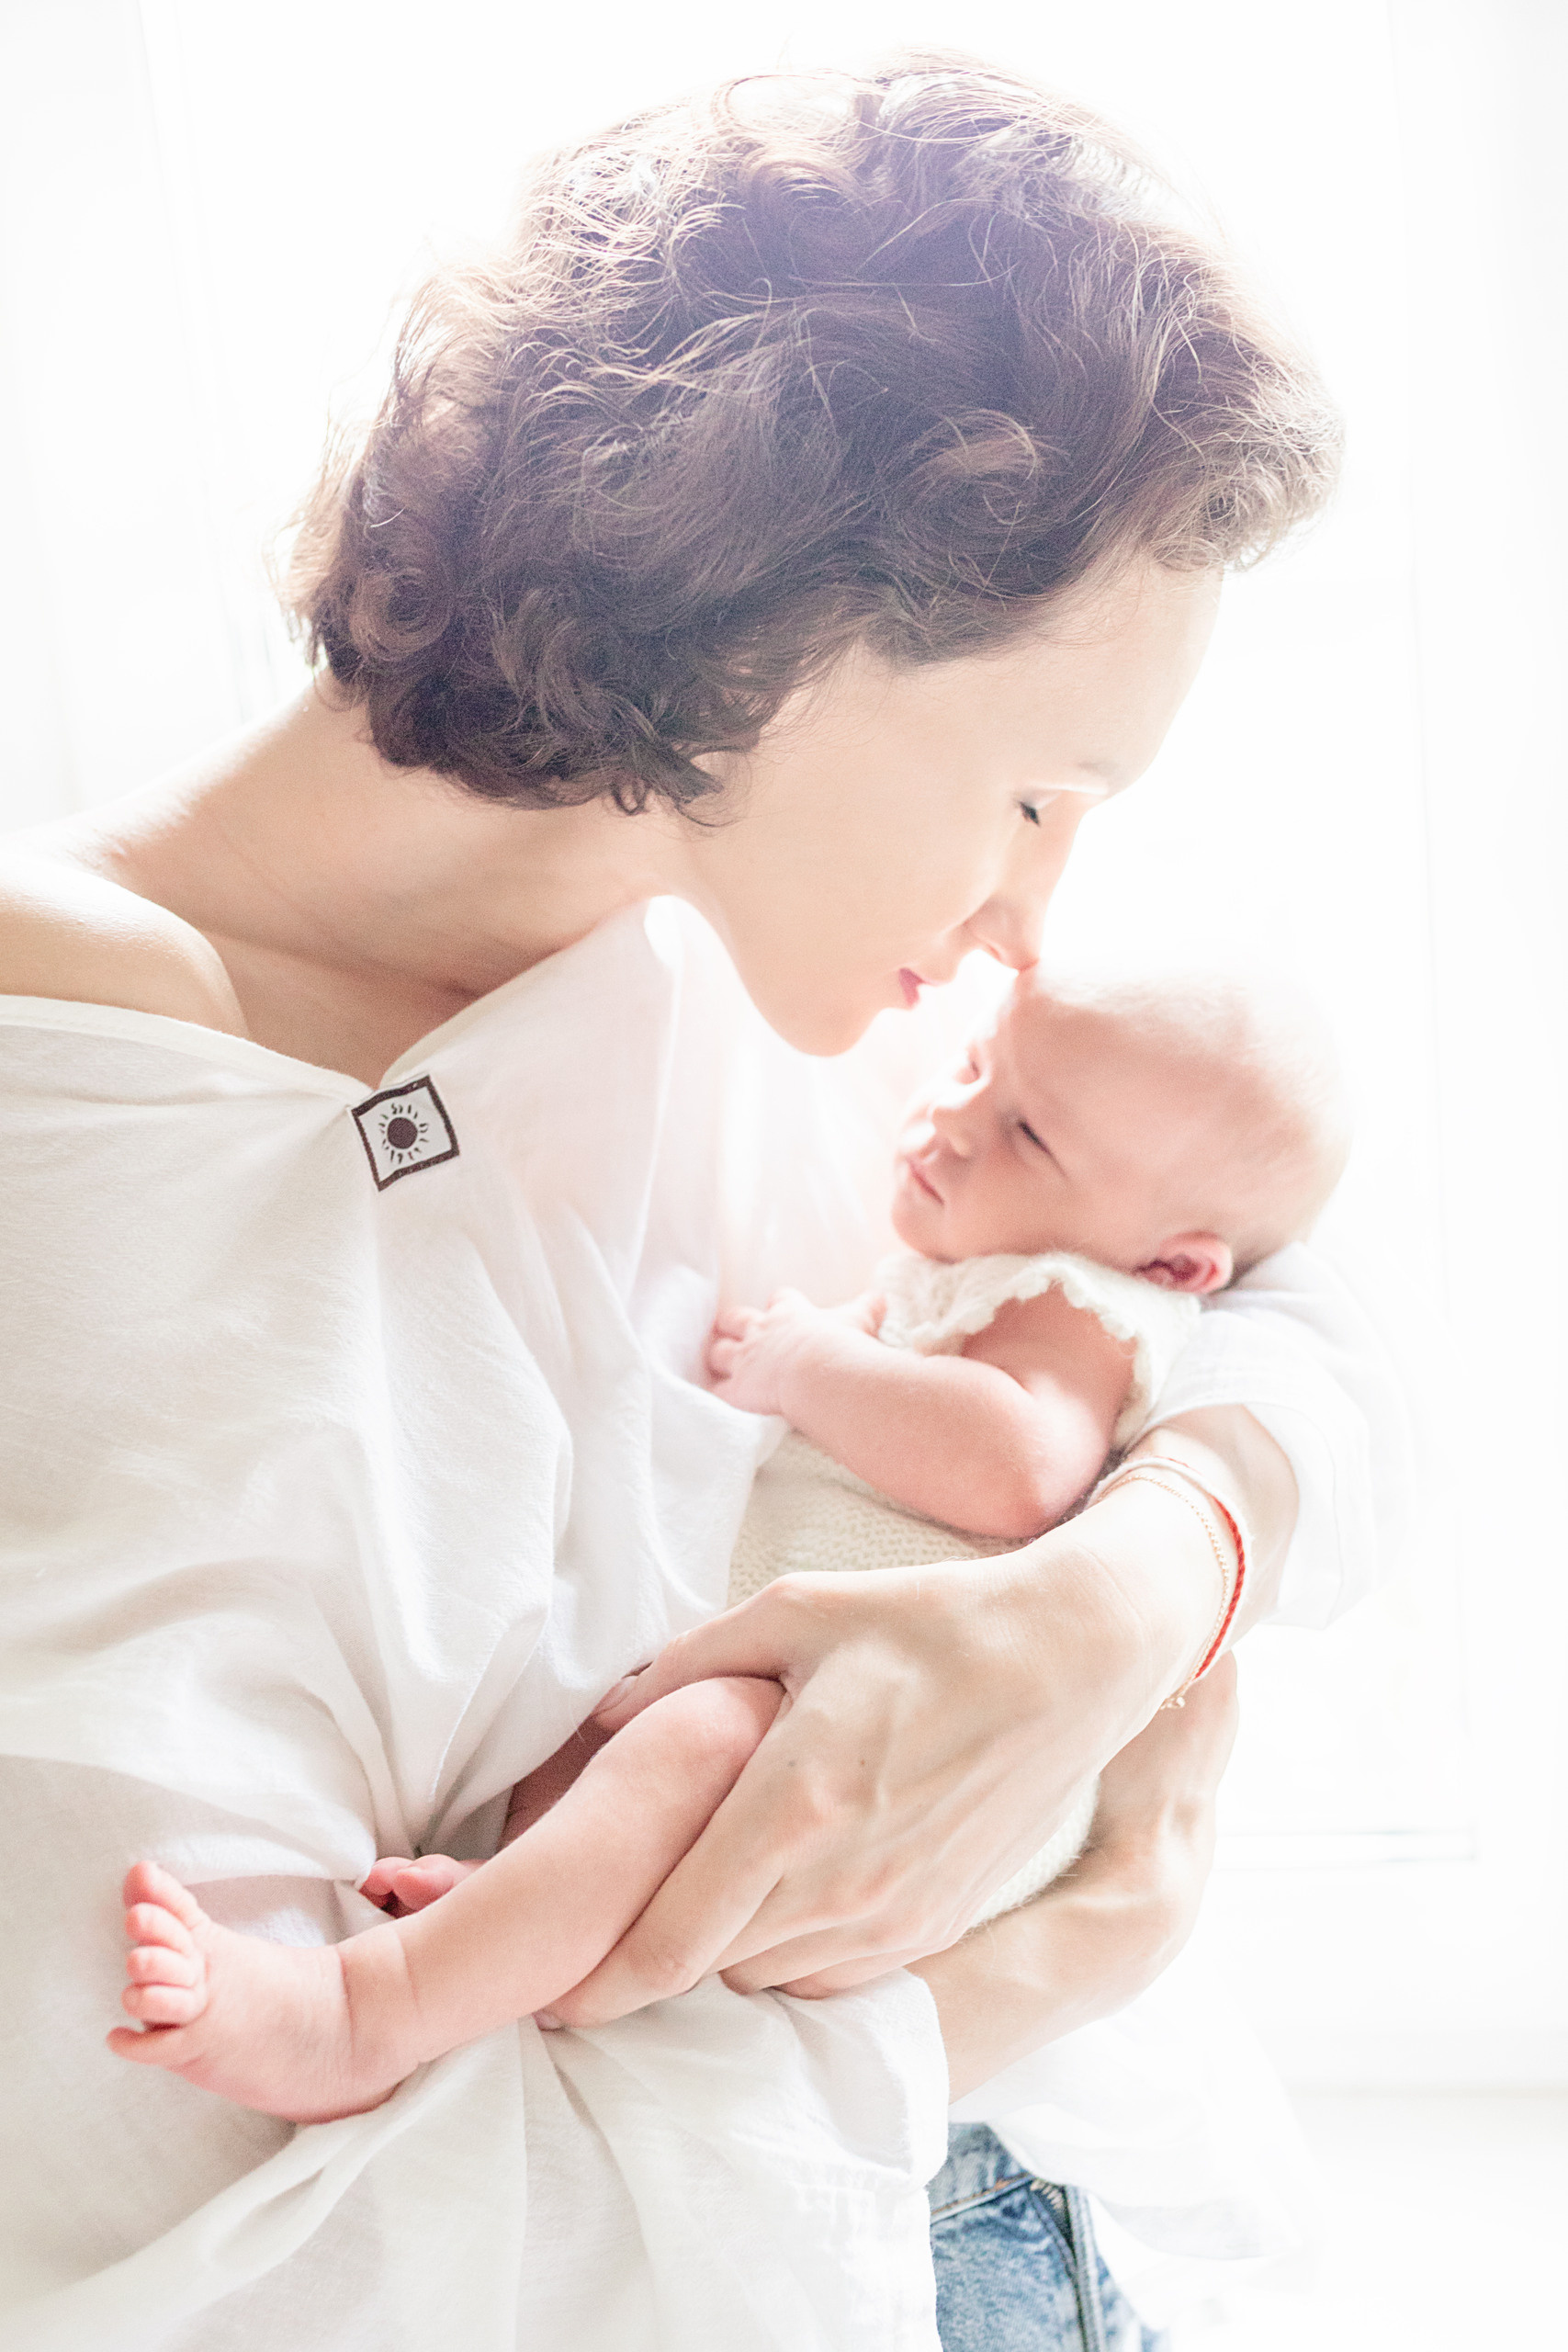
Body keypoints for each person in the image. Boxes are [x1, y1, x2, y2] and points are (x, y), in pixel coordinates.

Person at [0, 58, 1399, 2352]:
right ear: (792, 630)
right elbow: (256, 2269)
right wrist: (1064, 1948)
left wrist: (1144, 1577)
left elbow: (1268, 1286)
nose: (1032, 921)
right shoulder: (80, 1138)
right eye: (1032, 794)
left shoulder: (731, 962)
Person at [104, 963, 1346, 2129]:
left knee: (690, 1742)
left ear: (1173, 1261)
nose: (955, 1117)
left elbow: (1017, 1465)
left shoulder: (1079, 1305)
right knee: (618, 1728)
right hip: (802, 1692)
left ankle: (362, 2014)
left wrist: (813, 1365)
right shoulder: (981, 1264)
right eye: (977, 1065)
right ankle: (517, 1911)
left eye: (1028, 1134)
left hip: (920, 1761)